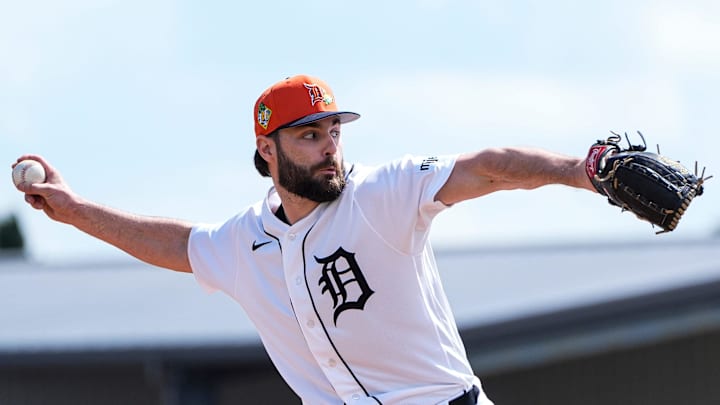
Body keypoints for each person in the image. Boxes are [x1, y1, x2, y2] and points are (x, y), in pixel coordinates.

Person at [13, 74, 595, 404]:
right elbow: (173, 244)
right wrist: (75, 211)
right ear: (267, 150)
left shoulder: (380, 192)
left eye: (333, 132)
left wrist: (580, 170)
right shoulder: (245, 241)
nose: (329, 147)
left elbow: (487, 166)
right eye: (309, 135)